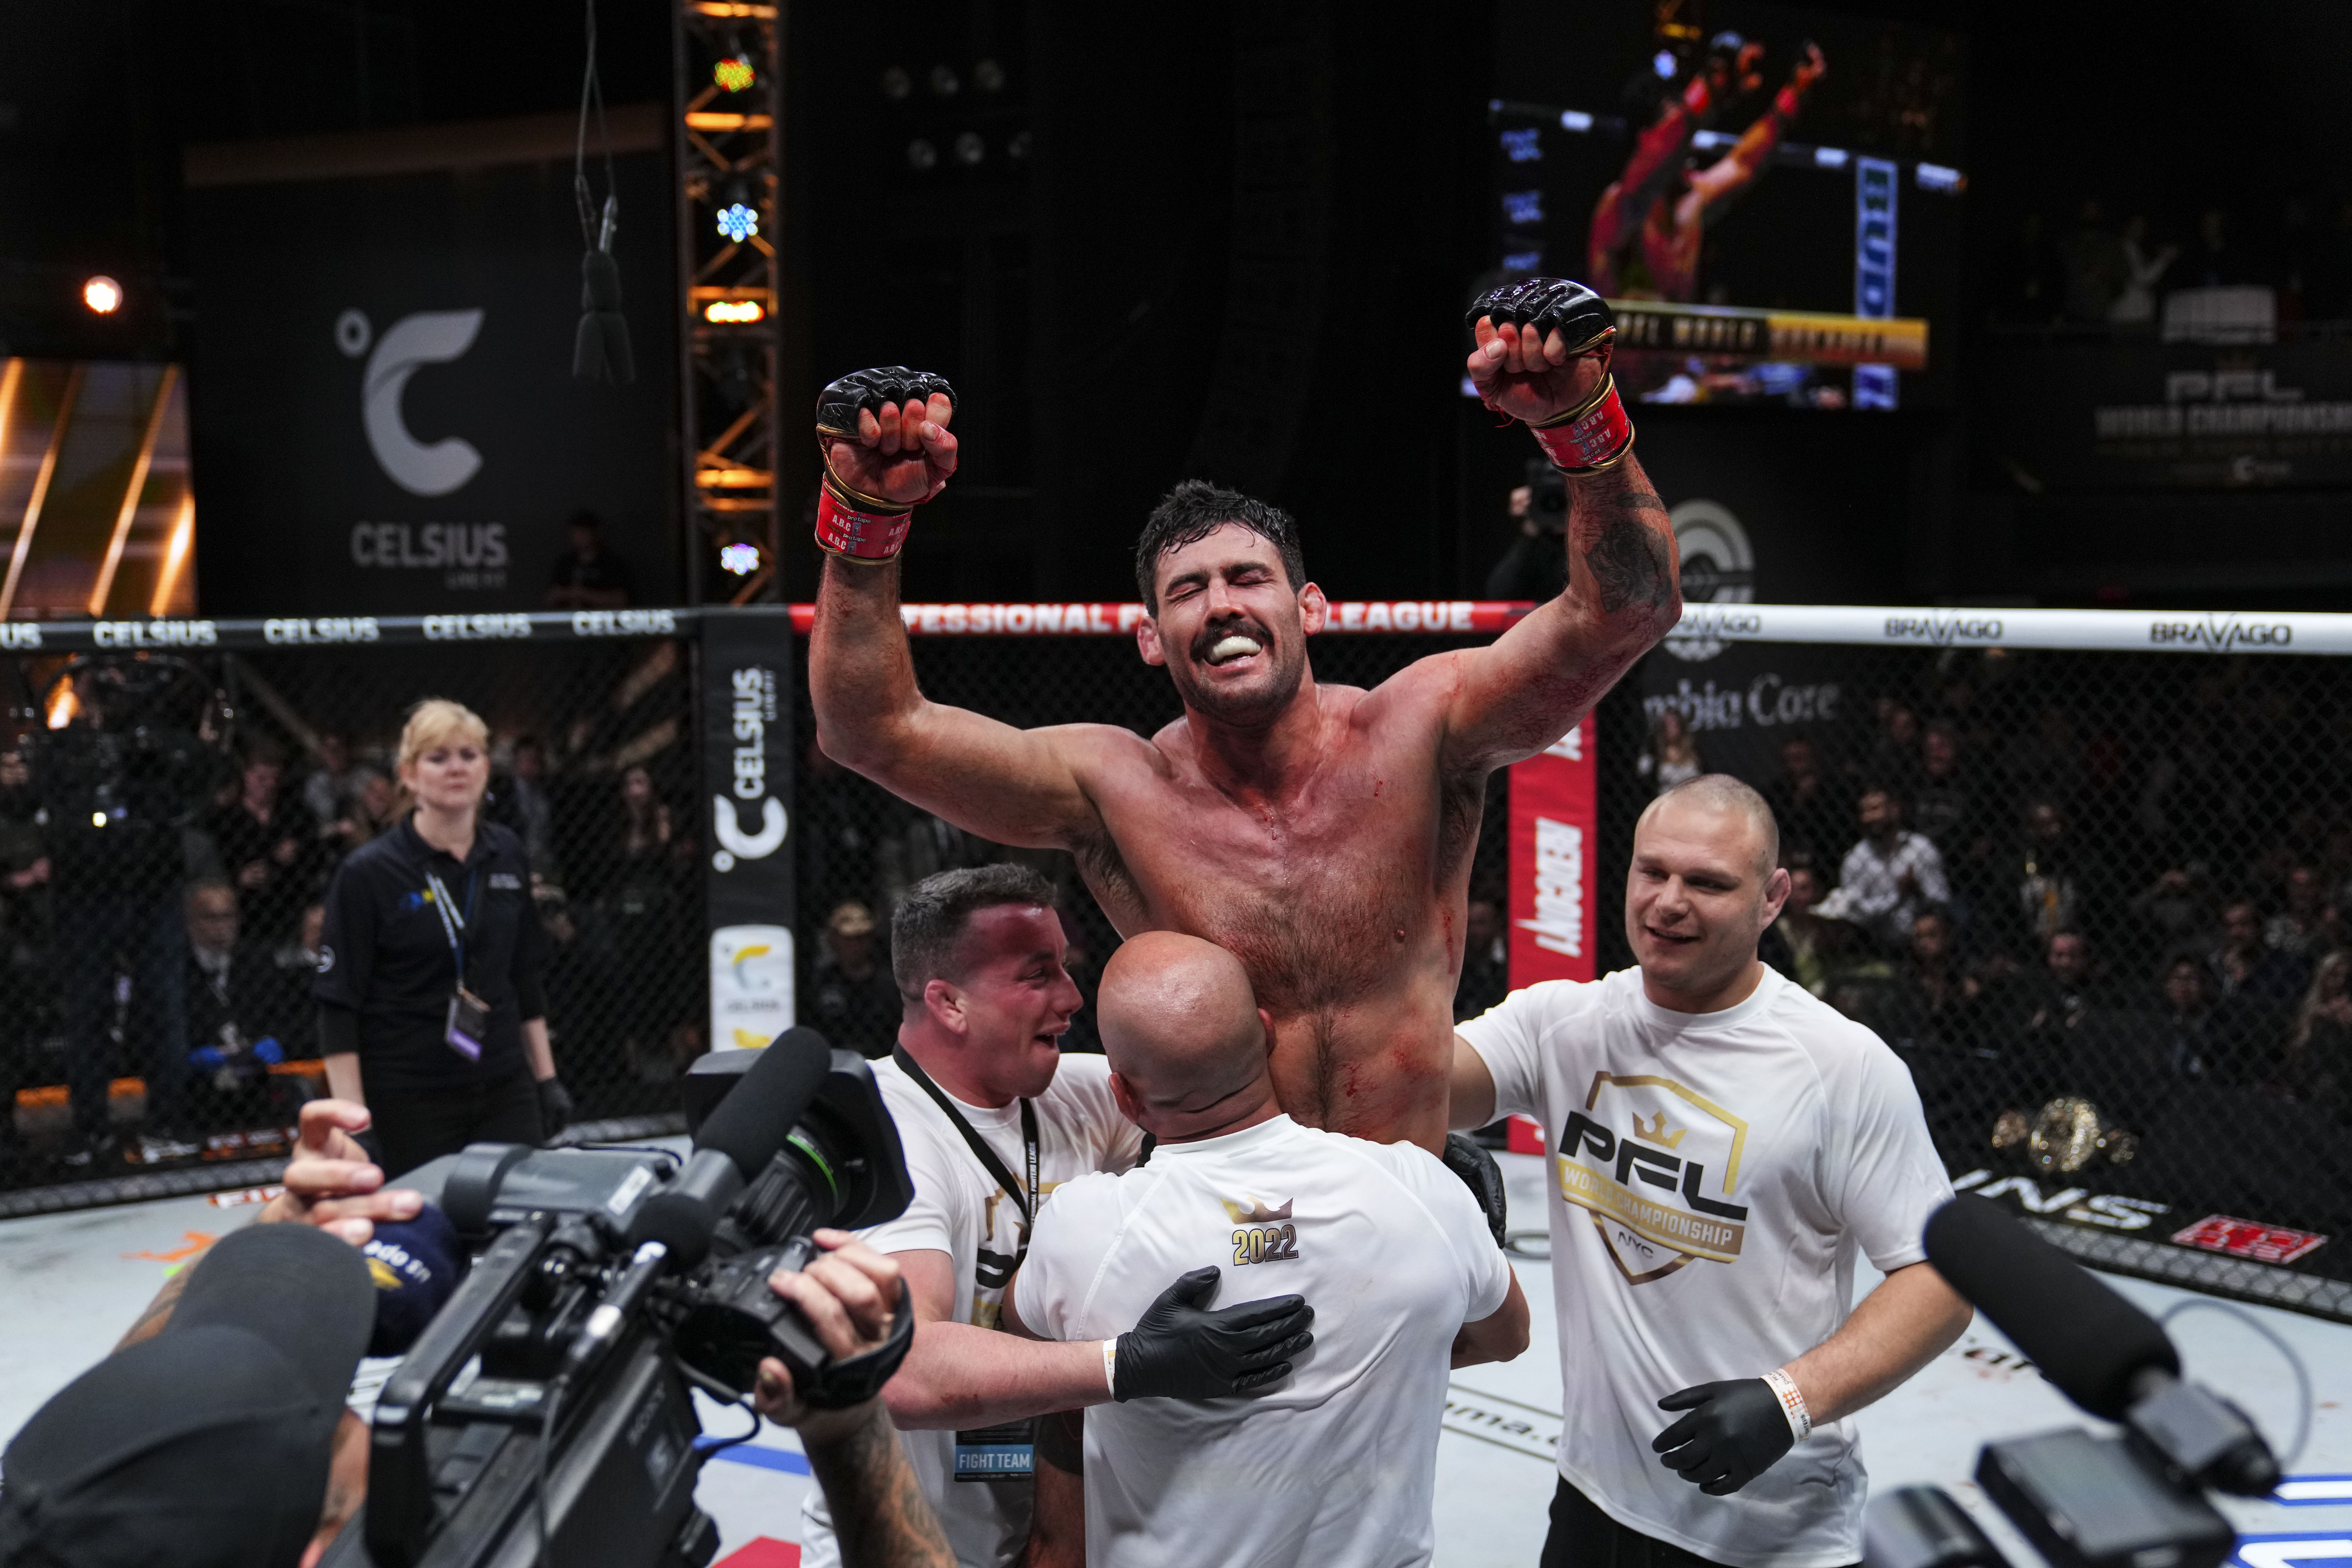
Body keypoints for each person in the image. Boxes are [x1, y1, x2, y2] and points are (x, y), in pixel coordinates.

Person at [807, 281, 1682, 1154]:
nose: (1221, 605)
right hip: (1227, 1236)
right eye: (1188, 591)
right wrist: (864, 522)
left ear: (1311, 607)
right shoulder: (1112, 789)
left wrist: (1584, 429)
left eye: (1248, 578)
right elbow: (870, 732)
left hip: (1411, 1218)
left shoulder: (1423, 731)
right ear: (1151, 640)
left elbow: (1631, 608)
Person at [1448, 775, 1970, 1568]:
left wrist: (1790, 1400)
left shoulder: (1841, 1066)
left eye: (1708, 883)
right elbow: (1411, 1085)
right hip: (1595, 1495)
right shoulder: (1564, 1023)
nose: (1668, 902)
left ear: (1773, 898)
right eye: (1652, 872)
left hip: (1769, 1528)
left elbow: (1941, 1280)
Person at [796, 865, 1318, 1568]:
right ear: (949, 1003)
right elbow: (905, 1372)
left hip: (1036, 1532)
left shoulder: (1070, 1093)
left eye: (1066, 969)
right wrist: (1131, 1365)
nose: (1073, 999)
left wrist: (1402, 1150)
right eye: (1039, 975)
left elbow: (1228, 1082)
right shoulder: (893, 1136)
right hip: (903, 1545)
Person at [1009, 931, 1526, 1568]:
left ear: (1125, 1094)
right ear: (1266, 1031)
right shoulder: (1421, 1189)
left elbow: (1020, 1334)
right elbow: (1509, 1335)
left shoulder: (1083, 1227)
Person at [313, 699, 572, 1177]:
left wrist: (547, 1078)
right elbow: (338, 1007)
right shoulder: (369, 873)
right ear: (409, 775)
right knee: (429, 1236)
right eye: (439, 758)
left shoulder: (507, 853)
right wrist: (355, 1122)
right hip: (410, 1096)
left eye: (469, 755)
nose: (457, 768)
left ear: (486, 768)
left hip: (502, 1084)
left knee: (522, 1226)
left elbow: (524, 977)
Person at [1586, 35, 1828, 303]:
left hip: (1676, 342)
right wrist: (1708, 87)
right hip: (1621, 342)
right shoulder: (1620, 206)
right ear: (1646, 137)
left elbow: (1744, 161)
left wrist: (1795, 94)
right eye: (1673, 128)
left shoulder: (1692, 198)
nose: (1683, 144)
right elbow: (1660, 156)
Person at [203, 741, 321, 945]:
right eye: (262, 778)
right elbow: (210, 867)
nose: (269, 785)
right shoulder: (226, 820)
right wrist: (238, 878)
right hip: (245, 908)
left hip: (292, 900)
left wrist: (298, 851)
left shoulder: (296, 815)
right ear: (247, 776)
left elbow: (317, 854)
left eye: (275, 778)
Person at [1814, 788, 1949, 950]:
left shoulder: (1921, 848)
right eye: (1865, 812)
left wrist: (1918, 890)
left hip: (1919, 941)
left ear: (1894, 810)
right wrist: (1897, 897)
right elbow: (1856, 913)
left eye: (1875, 809)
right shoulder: (1856, 858)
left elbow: (1942, 899)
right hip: (1873, 943)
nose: (1869, 818)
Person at [812, 900, 905, 1058]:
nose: (856, 945)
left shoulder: (889, 984)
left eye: (862, 938)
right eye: (849, 939)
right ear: (834, 939)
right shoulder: (822, 983)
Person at [543, 509, 635, 609]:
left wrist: (584, 594)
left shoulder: (611, 564)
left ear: (595, 533)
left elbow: (622, 600)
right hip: (569, 620)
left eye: (583, 532)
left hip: (601, 621)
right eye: (575, 532)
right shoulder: (566, 564)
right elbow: (550, 598)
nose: (578, 537)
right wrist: (567, 594)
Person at [1638, 708, 1704, 795]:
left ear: (1681, 726)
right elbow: (1642, 772)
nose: (1670, 729)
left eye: (1674, 724)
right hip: (1666, 800)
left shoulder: (1694, 751)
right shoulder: (1656, 753)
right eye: (1666, 725)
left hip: (1692, 798)